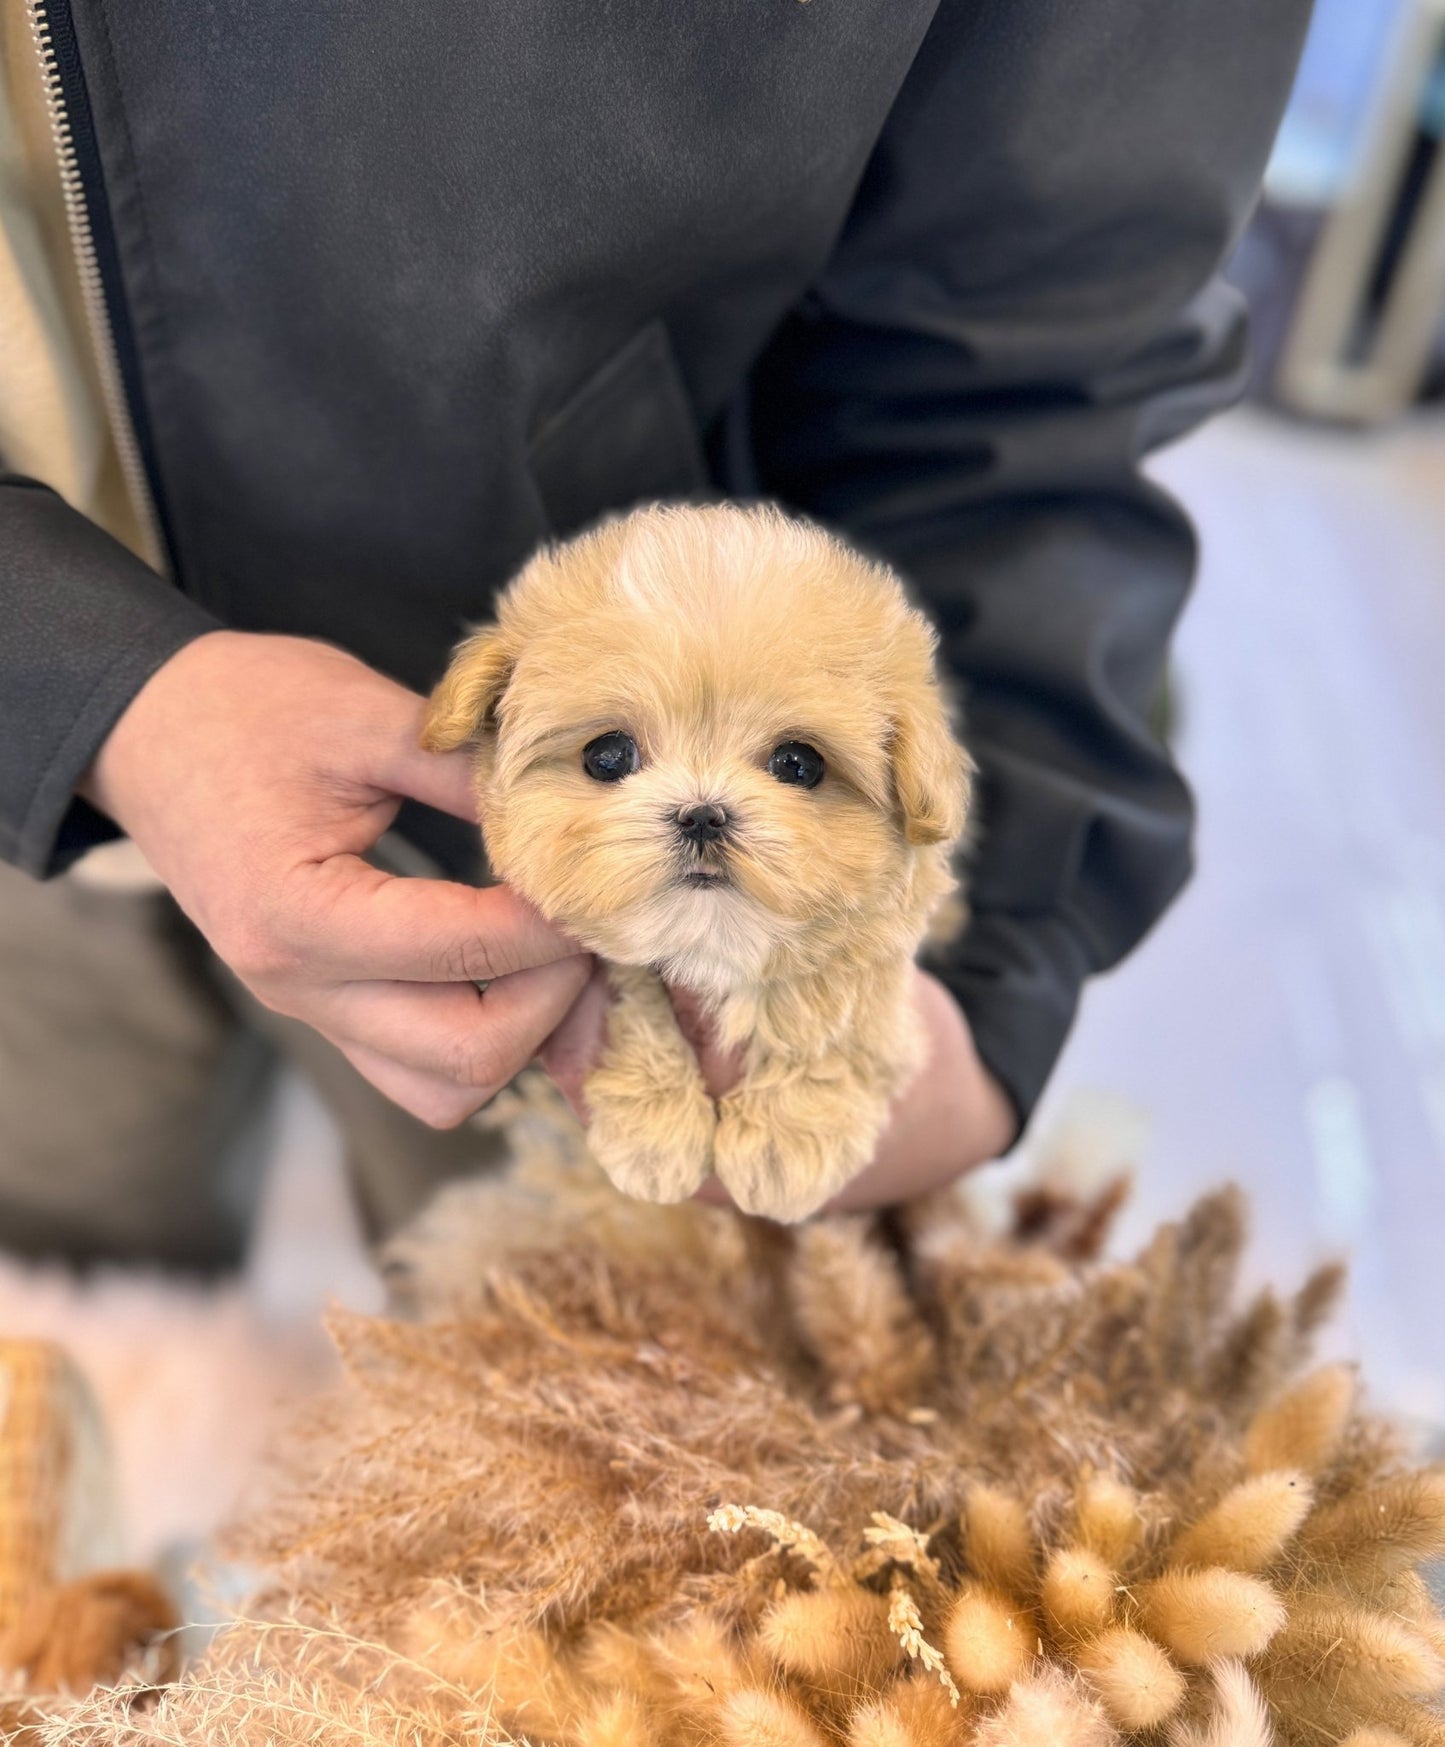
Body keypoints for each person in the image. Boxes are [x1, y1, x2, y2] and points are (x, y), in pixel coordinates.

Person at [0, 0, 1313, 1267]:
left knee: (547, 1346)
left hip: (522, 878)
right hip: (27, 803)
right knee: (79, 1290)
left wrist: (983, 959)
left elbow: (1037, 363)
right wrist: (85, 690)